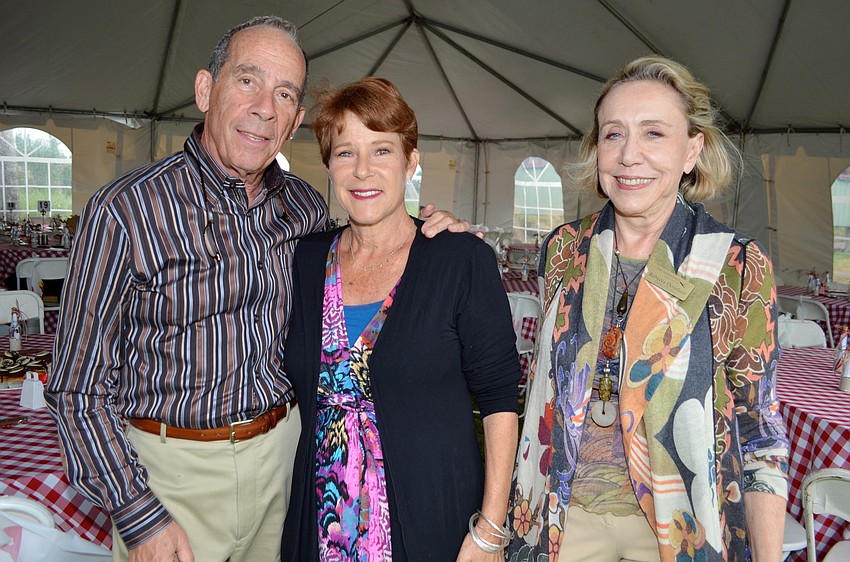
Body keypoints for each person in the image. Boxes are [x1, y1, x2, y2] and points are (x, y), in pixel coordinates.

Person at [45, 16, 467, 562]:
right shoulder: (127, 210)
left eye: (285, 93)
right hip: (172, 481)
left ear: (293, 122)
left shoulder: (305, 210)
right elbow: (77, 389)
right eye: (248, 80)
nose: (265, 106)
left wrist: (437, 235)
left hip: (286, 468)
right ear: (205, 89)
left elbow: (370, 262)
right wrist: (137, 514)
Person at [507, 56, 789, 561]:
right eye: (613, 135)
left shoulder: (735, 264)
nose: (628, 155)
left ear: (692, 150)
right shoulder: (566, 250)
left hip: (678, 528)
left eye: (654, 133)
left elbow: (758, 432)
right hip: (561, 519)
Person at [280, 77, 521, 561]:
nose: (363, 170)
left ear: (411, 162)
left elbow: (498, 399)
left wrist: (491, 528)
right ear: (328, 166)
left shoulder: (459, 259)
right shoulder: (304, 260)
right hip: (321, 519)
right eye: (346, 153)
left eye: (382, 151)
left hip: (430, 519)